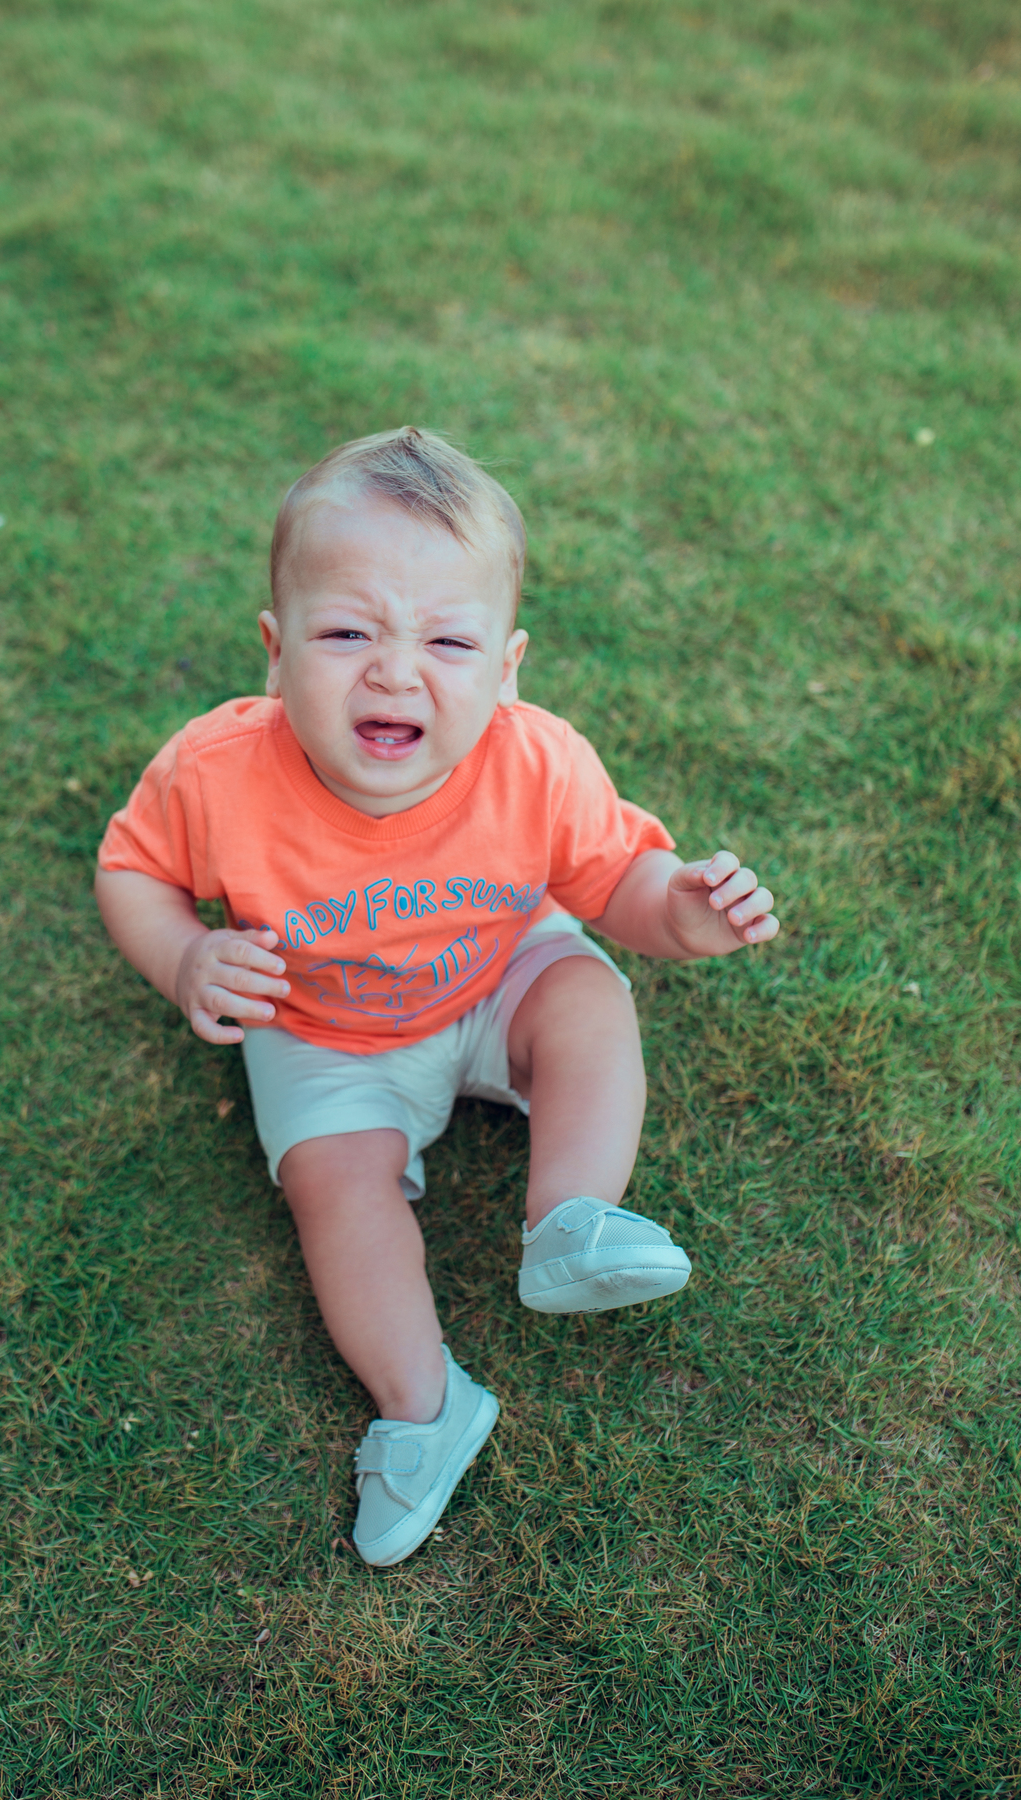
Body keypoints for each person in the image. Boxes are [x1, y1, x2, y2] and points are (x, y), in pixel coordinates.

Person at [95, 427, 780, 1567]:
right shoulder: (216, 774)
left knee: (588, 997)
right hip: (319, 1026)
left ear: (507, 669)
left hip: (497, 973)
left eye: (448, 641)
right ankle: (423, 1406)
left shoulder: (537, 762)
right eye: (347, 632)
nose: (395, 671)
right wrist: (182, 956)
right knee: (333, 1187)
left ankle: (570, 1220)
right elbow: (131, 869)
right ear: (275, 651)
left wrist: (682, 915)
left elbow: (618, 879)